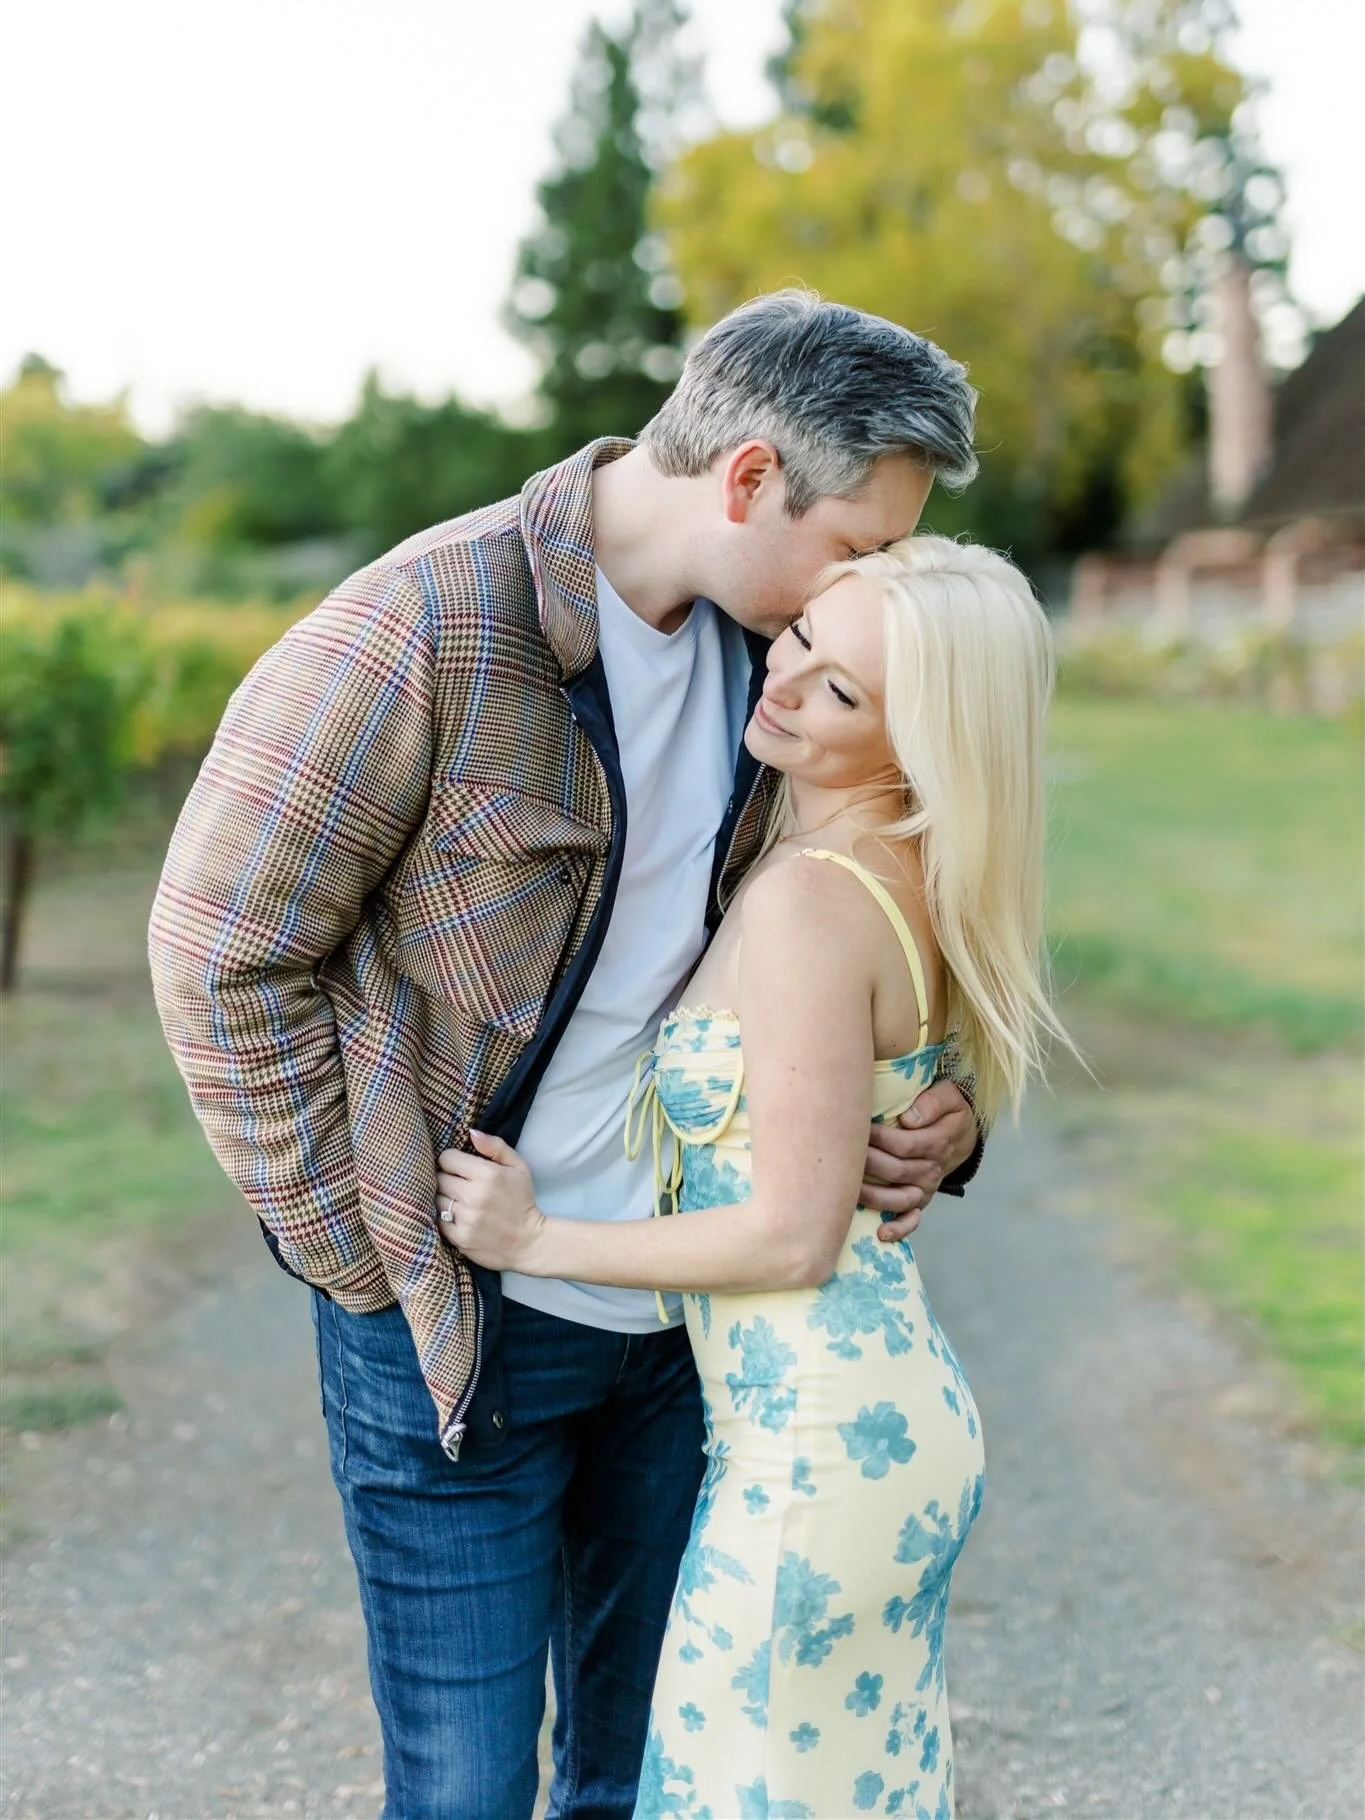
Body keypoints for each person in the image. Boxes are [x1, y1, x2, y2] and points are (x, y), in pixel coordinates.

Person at [148, 291, 983, 1820]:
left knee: (634, 1779)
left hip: (687, 1341)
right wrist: (364, 1252)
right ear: (745, 482)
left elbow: (876, 915)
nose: (867, 596)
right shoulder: (416, 629)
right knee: (465, 1792)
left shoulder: (775, 668)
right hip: (463, 1330)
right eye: (857, 548)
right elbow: (218, 951)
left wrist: (939, 1108)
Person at [435, 535, 1071, 1820]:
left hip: (814, 1451)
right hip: (868, 1423)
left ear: (917, 747)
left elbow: (789, 1235)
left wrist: (535, 1237)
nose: (778, 682)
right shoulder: (907, 876)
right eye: (798, 641)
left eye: (839, 690)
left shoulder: (809, 904)